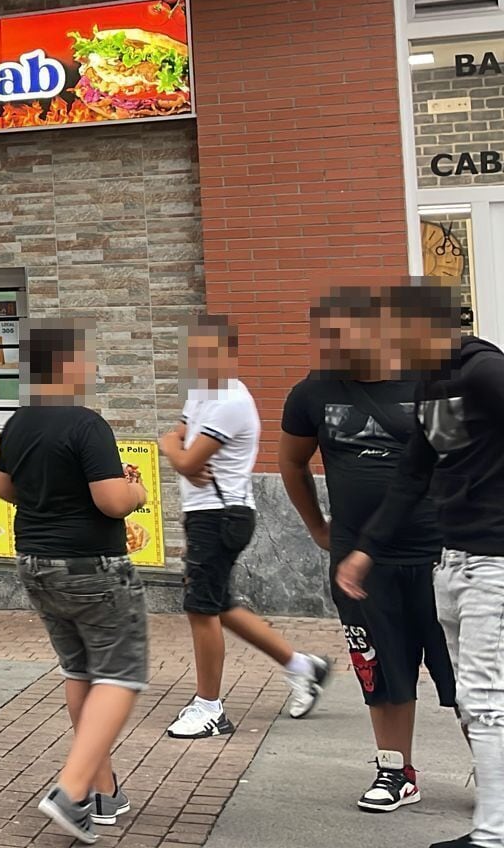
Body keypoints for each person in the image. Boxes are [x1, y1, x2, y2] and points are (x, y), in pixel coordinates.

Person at [342, 282, 504, 848]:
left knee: (485, 700)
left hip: (496, 562)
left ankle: (493, 834)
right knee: (472, 696)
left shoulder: (484, 371)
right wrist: (365, 549)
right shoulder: (436, 385)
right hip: (455, 561)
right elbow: (416, 472)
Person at [280, 287, 455, 813]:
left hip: (439, 555)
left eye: (337, 334)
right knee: (381, 669)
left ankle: (493, 775)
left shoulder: (431, 381)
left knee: (468, 674)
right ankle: (395, 773)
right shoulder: (311, 393)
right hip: (359, 564)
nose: (326, 346)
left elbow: (464, 460)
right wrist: (317, 527)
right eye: (321, 335)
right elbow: (291, 463)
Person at [0, 323, 148, 845]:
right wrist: (137, 492)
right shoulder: (87, 424)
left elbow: (4, 488)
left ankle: (103, 792)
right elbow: (110, 502)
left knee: (81, 669)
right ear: (64, 366)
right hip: (92, 566)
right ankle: (72, 789)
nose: (93, 369)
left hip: (35, 563)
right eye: (87, 360)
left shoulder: (17, 423)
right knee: (122, 674)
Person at [162, 314, 330, 739]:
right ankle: (302, 665)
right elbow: (175, 439)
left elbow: (186, 458)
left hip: (222, 516)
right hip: (206, 515)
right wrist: (175, 449)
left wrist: (178, 454)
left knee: (202, 609)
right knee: (217, 604)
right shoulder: (202, 392)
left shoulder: (232, 401)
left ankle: (209, 708)